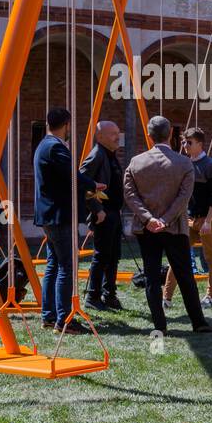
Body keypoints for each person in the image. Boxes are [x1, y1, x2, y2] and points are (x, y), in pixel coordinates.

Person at [123, 115, 212, 335]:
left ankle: (159, 325)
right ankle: (198, 322)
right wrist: (164, 219)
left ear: (149, 135)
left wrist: (148, 218)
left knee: (152, 276)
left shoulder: (136, 162)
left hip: (146, 229)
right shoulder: (184, 163)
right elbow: (184, 197)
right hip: (175, 228)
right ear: (171, 135)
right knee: (184, 274)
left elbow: (129, 194)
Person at [34, 107, 96, 333]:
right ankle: (63, 320)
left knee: (53, 265)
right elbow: (73, 175)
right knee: (66, 267)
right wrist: (93, 185)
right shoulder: (55, 147)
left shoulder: (44, 145)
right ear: (66, 124)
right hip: (59, 215)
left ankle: (49, 316)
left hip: (49, 215)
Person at [163, 126, 212, 309]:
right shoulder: (184, 163)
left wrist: (209, 221)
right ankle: (166, 298)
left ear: (200, 144)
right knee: (177, 256)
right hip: (188, 218)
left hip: (206, 219)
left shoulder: (210, 165)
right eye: (183, 142)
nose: (184, 145)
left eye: (189, 142)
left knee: (211, 258)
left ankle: (210, 297)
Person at [81, 120, 124, 312]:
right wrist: (97, 209)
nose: (118, 136)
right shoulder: (97, 155)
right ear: (100, 137)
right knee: (101, 256)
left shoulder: (110, 154)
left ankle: (109, 294)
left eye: (118, 132)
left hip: (113, 213)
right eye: (113, 133)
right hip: (104, 215)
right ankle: (92, 296)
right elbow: (82, 182)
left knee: (113, 255)